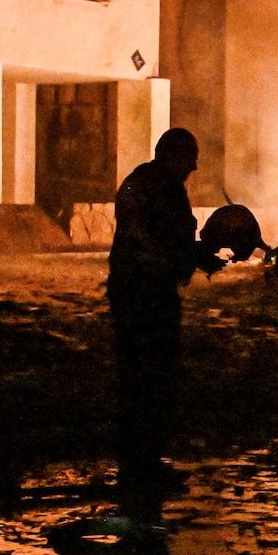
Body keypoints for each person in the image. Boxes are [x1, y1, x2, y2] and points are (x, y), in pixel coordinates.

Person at [107, 127, 213, 504]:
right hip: (140, 296)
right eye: (190, 157)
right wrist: (177, 260)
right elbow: (139, 236)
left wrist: (197, 256)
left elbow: (171, 242)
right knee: (143, 379)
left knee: (154, 380)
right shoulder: (144, 185)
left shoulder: (161, 187)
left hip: (153, 293)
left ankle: (144, 462)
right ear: (173, 156)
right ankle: (138, 466)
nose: (195, 166)